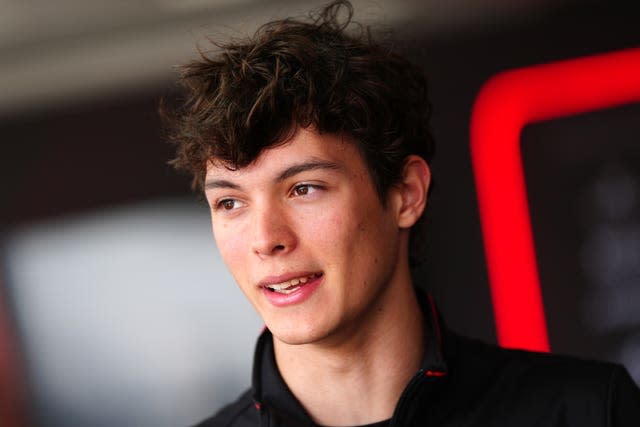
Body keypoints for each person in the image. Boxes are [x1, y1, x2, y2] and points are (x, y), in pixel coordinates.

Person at [162, 1, 640, 426]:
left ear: (406, 194)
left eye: (304, 188)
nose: (266, 238)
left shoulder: (586, 409)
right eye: (230, 202)